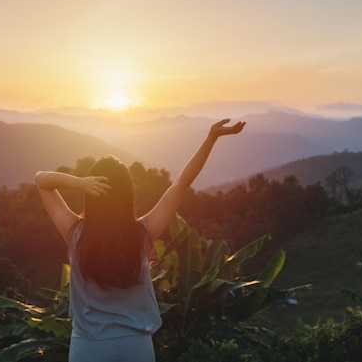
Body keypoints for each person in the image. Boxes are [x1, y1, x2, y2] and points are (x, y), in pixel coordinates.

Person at [35, 118, 246, 362]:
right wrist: (211, 138)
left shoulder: (74, 232)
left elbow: (42, 180)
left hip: (88, 347)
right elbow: (182, 183)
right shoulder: (142, 233)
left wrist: (80, 183)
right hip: (135, 346)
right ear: (128, 195)